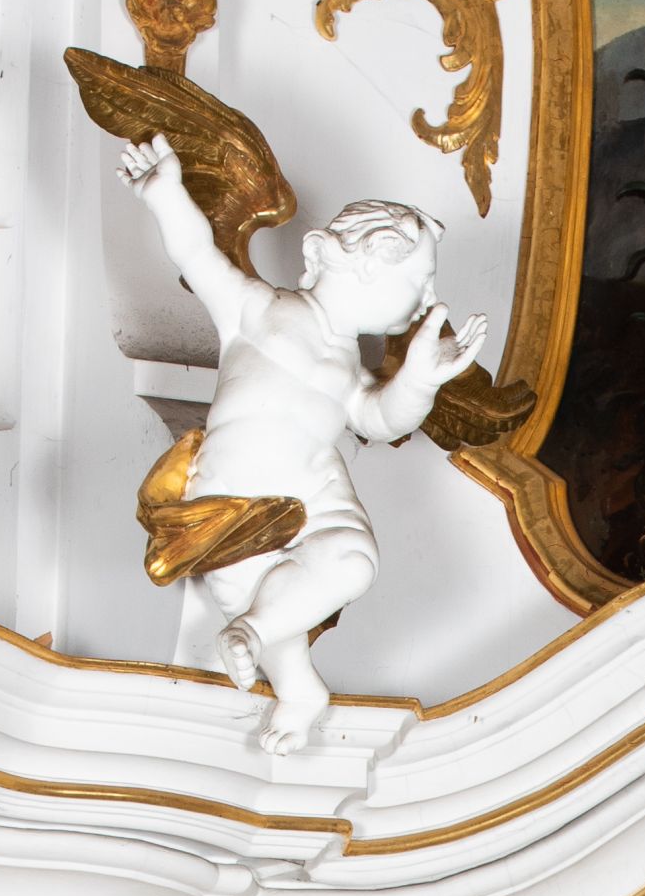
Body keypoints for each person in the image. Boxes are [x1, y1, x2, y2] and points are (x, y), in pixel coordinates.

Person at [114, 139, 482, 750]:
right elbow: (197, 254)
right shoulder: (258, 310)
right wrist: (165, 193)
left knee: (352, 560)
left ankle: (256, 635)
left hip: (314, 496)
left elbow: (383, 420)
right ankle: (294, 681)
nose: (427, 298)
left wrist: (420, 377)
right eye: (420, 279)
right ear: (362, 263)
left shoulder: (351, 373)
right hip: (231, 494)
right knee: (241, 584)